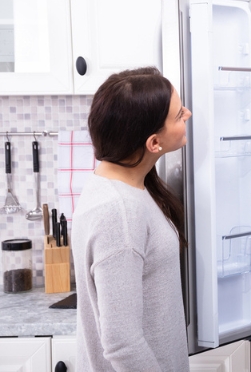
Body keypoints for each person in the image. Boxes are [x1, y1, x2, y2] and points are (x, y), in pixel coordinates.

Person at [71, 67, 192, 371]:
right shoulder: (118, 212)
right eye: (178, 116)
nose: (188, 114)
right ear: (154, 143)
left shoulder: (119, 185)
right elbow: (122, 343)